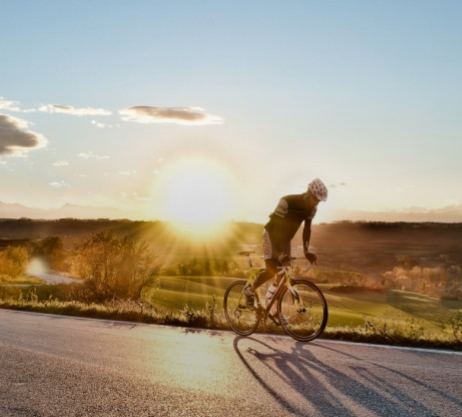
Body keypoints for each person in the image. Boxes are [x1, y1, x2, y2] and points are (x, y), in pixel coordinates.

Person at [245, 178, 328, 310]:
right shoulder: (286, 202)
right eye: (315, 199)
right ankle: (250, 290)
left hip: (284, 240)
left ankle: (270, 306)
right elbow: (276, 227)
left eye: (319, 201)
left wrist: (306, 251)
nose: (316, 203)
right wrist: (280, 253)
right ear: (309, 193)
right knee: (271, 270)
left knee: (283, 274)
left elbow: (307, 229)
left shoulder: (312, 210)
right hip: (271, 234)